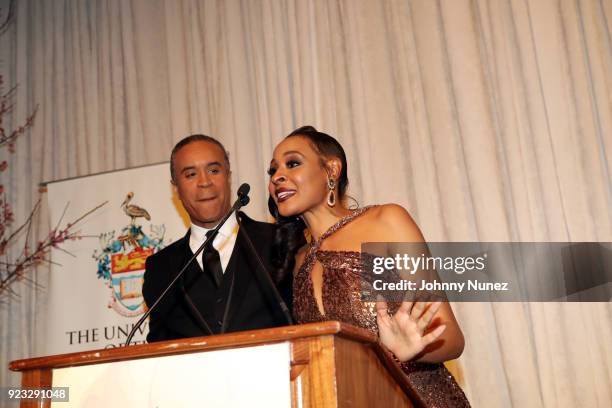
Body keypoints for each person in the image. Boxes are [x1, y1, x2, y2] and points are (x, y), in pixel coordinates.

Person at [267, 126, 470, 407]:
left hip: (419, 399)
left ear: (331, 170)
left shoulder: (381, 222)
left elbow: (450, 337)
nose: (277, 177)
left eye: (292, 164)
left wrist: (405, 349)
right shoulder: (299, 259)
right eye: (272, 171)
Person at [142, 134, 291, 342]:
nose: (204, 182)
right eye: (191, 174)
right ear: (175, 187)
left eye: (214, 170)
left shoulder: (279, 240)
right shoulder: (160, 269)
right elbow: (158, 351)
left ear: (228, 176)